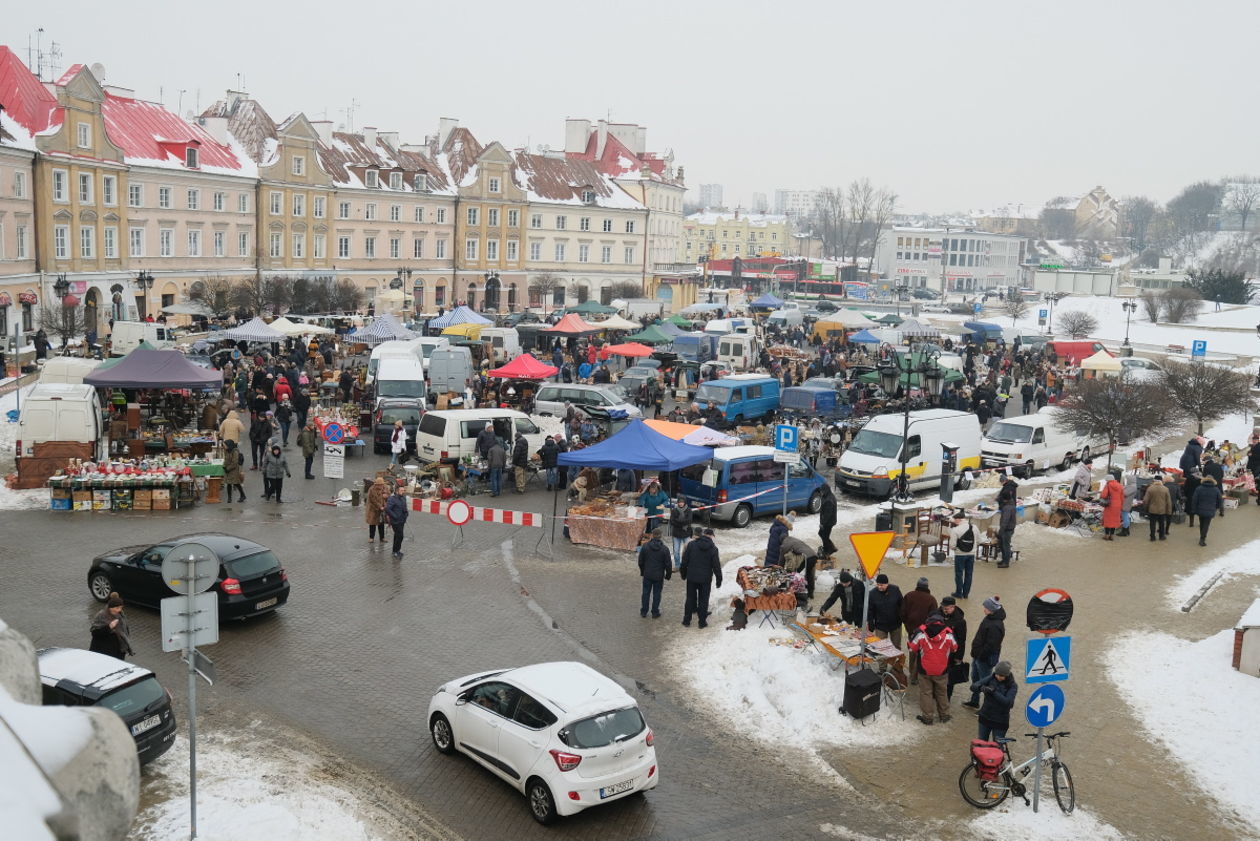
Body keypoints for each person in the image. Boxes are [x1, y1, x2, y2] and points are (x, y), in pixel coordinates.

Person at [908, 611, 958, 725]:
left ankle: (927, 717)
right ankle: (944, 716)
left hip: (924, 669)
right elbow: (955, 648)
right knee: (942, 693)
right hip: (942, 669)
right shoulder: (949, 634)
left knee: (926, 693)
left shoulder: (920, 632)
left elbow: (912, 648)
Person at [963, 597, 1007, 710]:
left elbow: (991, 646)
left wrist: (981, 656)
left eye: (986, 607)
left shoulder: (996, 625)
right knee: (976, 680)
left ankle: (987, 708)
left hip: (984, 660)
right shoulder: (989, 618)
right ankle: (974, 701)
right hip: (978, 657)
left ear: (991, 609)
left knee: (987, 684)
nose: (984, 609)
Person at [680, 528, 722, 628]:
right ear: (711, 536)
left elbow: (684, 561)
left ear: (703, 534)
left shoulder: (691, 545)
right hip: (705, 579)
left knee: (690, 598)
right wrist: (719, 580)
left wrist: (683, 574)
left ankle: (686, 620)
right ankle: (702, 622)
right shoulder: (713, 549)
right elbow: (716, 566)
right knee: (703, 600)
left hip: (692, 577)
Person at [900, 576, 939, 683]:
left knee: (912, 651)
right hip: (925, 632)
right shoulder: (931, 599)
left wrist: (908, 625)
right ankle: (915, 676)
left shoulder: (909, 595)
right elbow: (934, 617)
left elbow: (902, 613)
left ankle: (911, 672)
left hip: (911, 631)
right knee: (922, 654)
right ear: (927, 586)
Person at [972, 661, 1018, 742]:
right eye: (997, 674)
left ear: (1007, 675)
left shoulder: (1012, 685)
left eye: (1001, 676)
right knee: (981, 744)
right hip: (985, 717)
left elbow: (1008, 703)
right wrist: (981, 688)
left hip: (1000, 721)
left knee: (997, 747)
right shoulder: (991, 677)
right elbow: (973, 686)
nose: (998, 677)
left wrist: (994, 692)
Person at [638, 528, 673, 618]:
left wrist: (643, 571)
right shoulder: (664, 549)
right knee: (657, 594)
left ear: (652, 535)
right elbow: (668, 564)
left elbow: (640, 561)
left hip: (647, 574)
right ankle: (655, 612)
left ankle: (644, 611)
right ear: (660, 536)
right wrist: (668, 575)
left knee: (645, 593)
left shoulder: (645, 547)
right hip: (658, 575)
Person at [89, 592, 134, 660]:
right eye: (117, 608)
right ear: (110, 607)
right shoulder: (102, 615)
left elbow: (124, 629)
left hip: (119, 650)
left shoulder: (120, 614)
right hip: (104, 651)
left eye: (121, 607)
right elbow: (95, 633)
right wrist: (109, 627)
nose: (119, 610)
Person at [940, 596, 968, 700]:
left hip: (951, 654)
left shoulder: (960, 621)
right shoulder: (940, 614)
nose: (944, 610)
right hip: (940, 652)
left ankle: (947, 696)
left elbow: (961, 640)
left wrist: (958, 657)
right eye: (943, 607)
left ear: (953, 607)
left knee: (949, 676)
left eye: (946, 608)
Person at [866, 574, 905, 649]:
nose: (879, 587)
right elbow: (870, 610)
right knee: (881, 647)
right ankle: (883, 661)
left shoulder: (895, 590)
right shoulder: (872, 594)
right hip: (880, 626)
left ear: (887, 584)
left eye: (882, 585)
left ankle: (895, 660)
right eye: (878, 584)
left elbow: (902, 604)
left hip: (895, 625)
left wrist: (902, 618)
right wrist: (871, 623)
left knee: (896, 646)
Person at [778, 534, 819, 600]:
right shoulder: (794, 540)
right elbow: (798, 550)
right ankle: (810, 593)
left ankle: (801, 593)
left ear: (781, 541)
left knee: (805, 575)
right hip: (813, 555)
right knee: (803, 574)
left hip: (807, 558)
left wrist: (779, 570)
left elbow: (781, 560)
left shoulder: (785, 545)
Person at [1191, 475, 1224, 547]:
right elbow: (1220, 500)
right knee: (1206, 524)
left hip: (1200, 509)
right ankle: (1202, 539)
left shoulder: (1199, 488)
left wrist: (1193, 509)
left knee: (1201, 523)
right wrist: (1217, 507)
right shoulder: (1216, 489)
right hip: (1210, 509)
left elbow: (1194, 499)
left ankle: (1201, 536)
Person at [949, 512, 977, 598]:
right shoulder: (974, 527)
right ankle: (966, 594)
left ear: (958, 519)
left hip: (960, 555)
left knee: (959, 574)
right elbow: (979, 540)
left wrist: (956, 548)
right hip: (971, 554)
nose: (954, 522)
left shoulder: (955, 530)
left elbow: (952, 545)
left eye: (955, 520)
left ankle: (958, 593)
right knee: (969, 574)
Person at [1143, 474, 1173, 541]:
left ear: (1154, 480)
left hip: (1152, 510)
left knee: (1152, 524)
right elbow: (1169, 501)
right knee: (1161, 523)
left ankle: (1152, 537)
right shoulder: (1165, 489)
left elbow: (1145, 500)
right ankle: (1161, 536)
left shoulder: (1150, 488)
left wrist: (1145, 507)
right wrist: (1169, 511)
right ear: (1161, 481)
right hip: (1162, 510)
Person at [996, 479, 1018, 567]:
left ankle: (1006, 562)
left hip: (1007, 529)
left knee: (1006, 546)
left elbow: (1005, 520)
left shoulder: (1007, 508)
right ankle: (1004, 560)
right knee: (1003, 544)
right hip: (1009, 528)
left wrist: (1001, 530)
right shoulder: (1011, 504)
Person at [1098, 469, 1124, 540]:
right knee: (1114, 520)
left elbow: (1103, 495)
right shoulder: (1120, 486)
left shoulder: (1108, 485)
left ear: (1108, 480)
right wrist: (1121, 505)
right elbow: (1122, 497)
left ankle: (1106, 535)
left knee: (1108, 520)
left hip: (1110, 505)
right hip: (1117, 505)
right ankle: (1112, 536)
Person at [669, 496, 693, 570]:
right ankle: (677, 565)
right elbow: (672, 521)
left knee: (687, 551)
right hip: (676, 534)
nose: (681, 503)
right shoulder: (674, 511)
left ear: (684, 502)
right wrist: (682, 522)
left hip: (686, 533)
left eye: (682, 502)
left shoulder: (689, 510)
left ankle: (685, 565)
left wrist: (678, 521)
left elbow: (689, 520)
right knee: (676, 551)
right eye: (679, 502)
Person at [385, 484, 409, 558]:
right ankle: (396, 551)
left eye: (403, 490)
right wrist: (395, 516)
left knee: (397, 535)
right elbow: (388, 509)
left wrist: (406, 514)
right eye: (401, 490)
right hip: (395, 521)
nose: (403, 492)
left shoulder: (403, 498)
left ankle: (395, 551)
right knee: (400, 536)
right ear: (397, 491)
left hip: (402, 520)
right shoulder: (392, 499)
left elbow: (404, 508)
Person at [366, 476, 389, 543]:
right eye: (379, 485)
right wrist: (379, 506)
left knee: (381, 524)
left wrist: (386, 496)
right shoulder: (372, 489)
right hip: (373, 509)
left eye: (382, 484)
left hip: (382, 509)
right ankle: (371, 537)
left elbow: (389, 495)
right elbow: (372, 500)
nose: (381, 486)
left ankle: (382, 538)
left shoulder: (385, 488)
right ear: (376, 484)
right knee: (372, 523)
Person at [817, 483, 838, 557]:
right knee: (822, 534)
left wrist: (822, 523)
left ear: (826, 490)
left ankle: (829, 549)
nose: (821, 492)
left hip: (828, 522)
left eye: (823, 491)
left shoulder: (829, 500)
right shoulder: (827, 496)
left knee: (825, 536)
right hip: (827, 521)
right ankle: (830, 548)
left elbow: (827, 515)